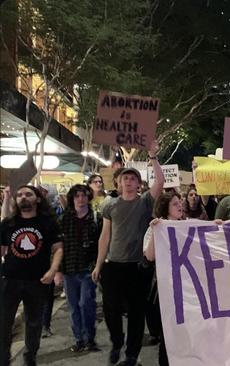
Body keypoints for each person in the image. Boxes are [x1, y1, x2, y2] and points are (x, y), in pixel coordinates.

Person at [91, 143, 164, 366]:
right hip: (113, 265)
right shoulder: (109, 205)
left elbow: (160, 182)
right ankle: (116, 342)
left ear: (138, 183)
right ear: (118, 182)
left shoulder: (145, 202)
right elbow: (105, 237)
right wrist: (98, 265)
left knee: (136, 312)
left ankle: (132, 353)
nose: (129, 181)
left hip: (137, 267)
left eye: (133, 179)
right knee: (111, 310)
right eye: (125, 178)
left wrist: (152, 155)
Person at [1, 185, 63, 366]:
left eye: (28, 194)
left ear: (37, 199)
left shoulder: (48, 222)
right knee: (4, 324)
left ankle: (30, 358)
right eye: (19, 195)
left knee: (34, 324)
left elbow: (58, 249)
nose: (23, 197)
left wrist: (53, 270)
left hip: (38, 280)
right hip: (9, 280)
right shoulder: (8, 223)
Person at [142, 192, 186, 366]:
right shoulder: (156, 227)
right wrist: (155, 231)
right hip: (166, 289)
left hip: (187, 289)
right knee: (168, 335)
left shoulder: (187, 224)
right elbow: (149, 257)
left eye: (180, 202)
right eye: (175, 204)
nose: (180, 205)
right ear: (165, 208)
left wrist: (217, 225)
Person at [59, 184, 101, 352]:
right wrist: (57, 271)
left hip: (87, 269)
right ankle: (79, 339)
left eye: (83, 195)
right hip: (69, 268)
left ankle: (89, 337)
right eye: (77, 196)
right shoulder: (64, 219)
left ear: (88, 197)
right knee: (73, 306)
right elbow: (58, 246)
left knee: (86, 304)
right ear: (72, 198)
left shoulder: (96, 218)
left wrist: (97, 266)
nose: (81, 199)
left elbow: (100, 245)